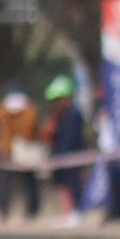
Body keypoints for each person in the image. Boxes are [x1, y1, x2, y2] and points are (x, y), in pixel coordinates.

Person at [41, 74, 85, 227]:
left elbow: (73, 138)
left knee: (73, 183)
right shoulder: (57, 116)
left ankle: (76, 212)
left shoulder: (74, 114)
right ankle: (65, 212)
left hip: (71, 157)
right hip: (58, 157)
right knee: (61, 184)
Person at [0, 83, 40, 222]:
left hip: (7, 150)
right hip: (24, 150)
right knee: (28, 182)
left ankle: (3, 210)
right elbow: (30, 130)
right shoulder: (29, 109)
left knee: (5, 183)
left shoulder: (3, 110)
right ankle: (31, 211)